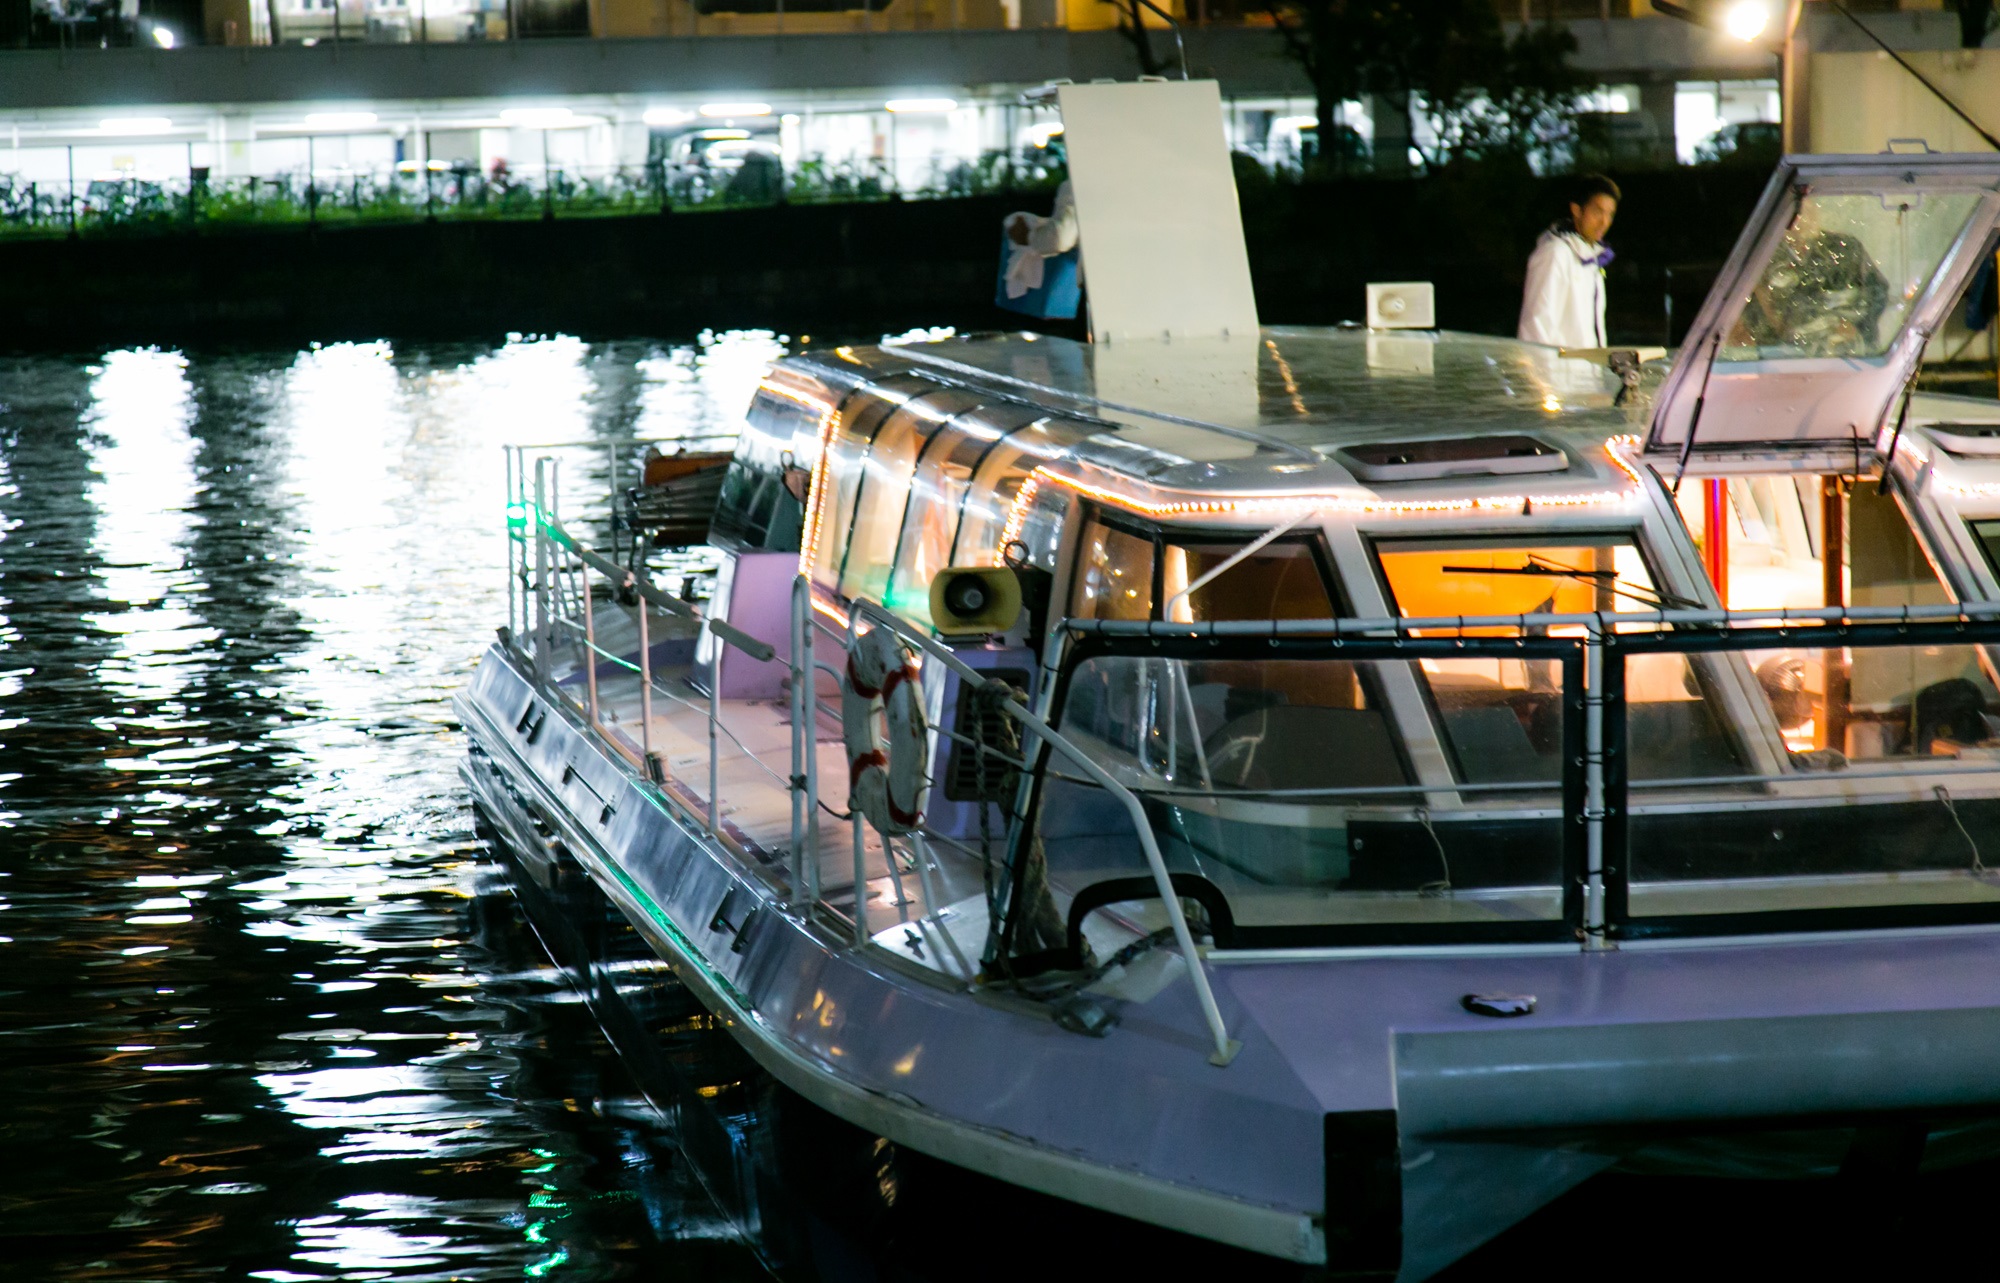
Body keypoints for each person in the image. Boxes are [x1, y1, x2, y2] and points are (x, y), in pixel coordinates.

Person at [1517, 174, 1620, 349]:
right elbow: (1535, 328)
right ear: (1576, 210)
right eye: (1597, 212)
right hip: (1558, 375)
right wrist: (1539, 376)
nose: (1604, 222)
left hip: (1584, 373)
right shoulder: (1555, 254)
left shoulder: (1591, 259)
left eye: (1610, 214)